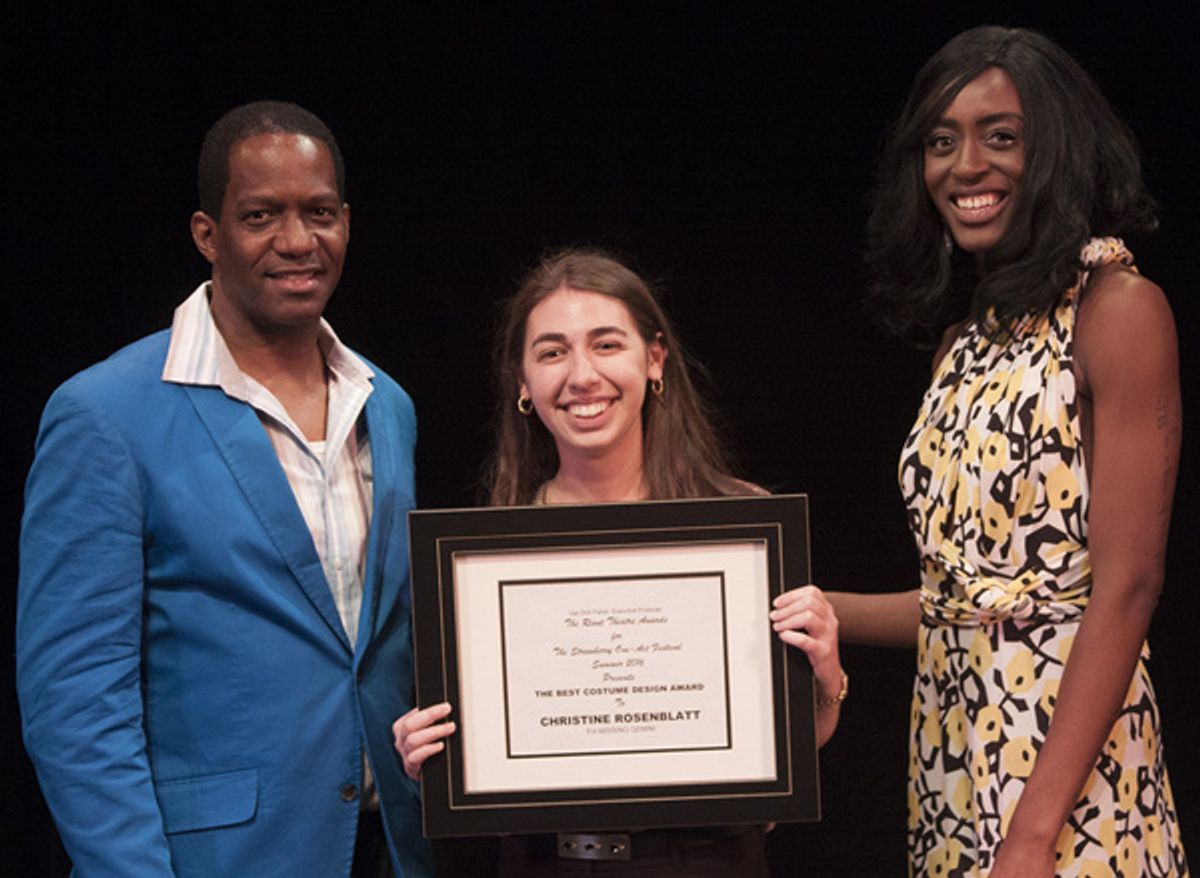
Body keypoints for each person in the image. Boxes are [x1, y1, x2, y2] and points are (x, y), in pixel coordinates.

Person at [17, 101, 432, 878]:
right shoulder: (105, 414)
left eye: (318, 213)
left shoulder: (388, 405)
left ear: (346, 221)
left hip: (390, 851)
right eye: (261, 215)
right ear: (208, 235)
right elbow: (75, 702)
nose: (297, 241)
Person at [831, 26, 1187, 877]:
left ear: (1058, 148)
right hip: (954, 759)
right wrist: (800, 607)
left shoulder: (1120, 310)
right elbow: (965, 602)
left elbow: (1128, 584)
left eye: (1001, 137)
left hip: (1068, 781)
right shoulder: (966, 342)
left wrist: (1030, 836)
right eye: (941, 142)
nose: (965, 167)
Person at [394, 249, 846, 875]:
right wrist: (433, 760)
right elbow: (485, 776)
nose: (582, 375)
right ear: (522, 381)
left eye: (606, 344)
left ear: (653, 359)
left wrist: (825, 682)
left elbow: (789, 749)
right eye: (552, 352)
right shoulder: (487, 561)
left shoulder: (742, 526)